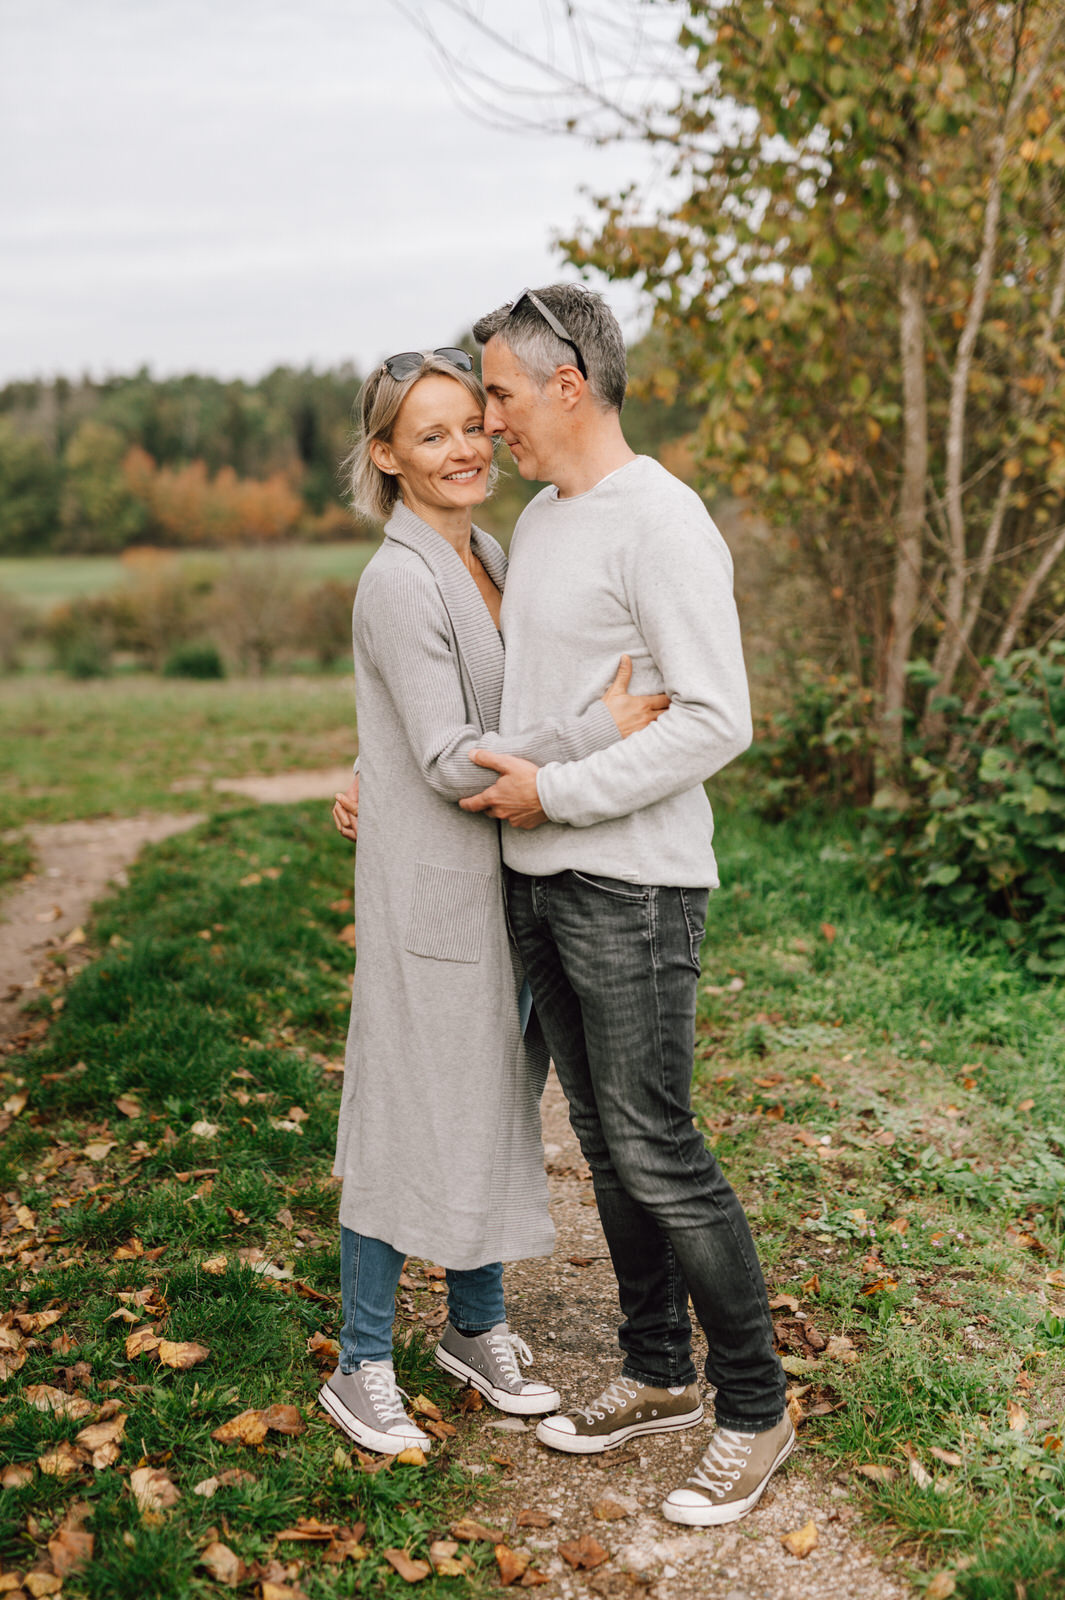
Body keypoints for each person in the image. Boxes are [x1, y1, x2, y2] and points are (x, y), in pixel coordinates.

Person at [459, 286, 792, 1527]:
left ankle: (755, 1407)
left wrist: (558, 794)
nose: (488, 421)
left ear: (567, 384)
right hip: (541, 884)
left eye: (499, 394)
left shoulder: (663, 521)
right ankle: (657, 1371)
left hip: (635, 889)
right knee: (606, 1143)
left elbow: (717, 718)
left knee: (659, 1147)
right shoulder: (545, 521)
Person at [322, 346, 669, 1456]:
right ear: (387, 457)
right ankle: (361, 1361)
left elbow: (452, 711)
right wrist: (595, 733)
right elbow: (444, 755)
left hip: (508, 879)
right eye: (431, 435)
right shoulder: (397, 579)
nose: (466, 447)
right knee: (404, 1111)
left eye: (472, 424)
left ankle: (474, 1327)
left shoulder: (487, 550)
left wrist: (367, 763)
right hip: (433, 892)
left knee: (490, 1105)